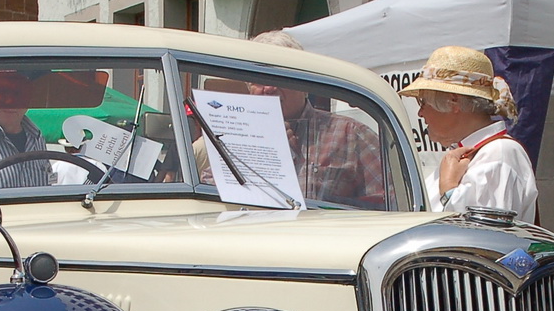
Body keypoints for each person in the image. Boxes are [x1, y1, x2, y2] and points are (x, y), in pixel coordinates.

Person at [197, 31, 386, 207]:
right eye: (258, 80)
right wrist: (262, 153)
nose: (268, 88)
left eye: (279, 78)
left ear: (303, 84)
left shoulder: (350, 135)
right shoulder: (234, 135)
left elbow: (387, 202)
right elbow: (207, 195)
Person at [399, 46, 535, 223]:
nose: (420, 113)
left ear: (453, 101)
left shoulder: (500, 154)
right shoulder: (476, 153)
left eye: (423, 102)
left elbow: (484, 234)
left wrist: (449, 190)